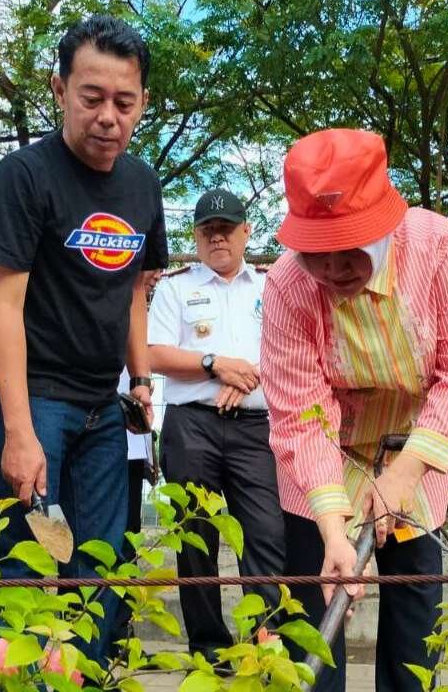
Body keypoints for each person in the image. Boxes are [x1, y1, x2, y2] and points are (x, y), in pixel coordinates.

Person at [261, 128, 448, 692]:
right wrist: (334, 529)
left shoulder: (435, 246)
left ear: (385, 229)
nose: (335, 270)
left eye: (352, 251)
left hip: (417, 447)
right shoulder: (287, 285)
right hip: (325, 461)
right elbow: (299, 415)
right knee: (314, 630)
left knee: (414, 633)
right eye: (320, 254)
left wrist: (404, 475)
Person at [0, 14, 167, 662]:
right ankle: (7, 678)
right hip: (33, 400)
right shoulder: (24, 176)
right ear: (59, 90)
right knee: (25, 563)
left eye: (124, 101)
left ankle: (80, 675)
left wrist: (139, 383)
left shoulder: (143, 184)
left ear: (141, 104)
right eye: (92, 98)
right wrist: (20, 430)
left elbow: (137, 292)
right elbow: (3, 304)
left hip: (103, 408)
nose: (109, 116)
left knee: (101, 567)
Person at [147, 189, 285, 662]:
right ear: (197, 236)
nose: (217, 237)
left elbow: (294, 346)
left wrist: (247, 377)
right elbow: (155, 354)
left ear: (246, 232)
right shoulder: (174, 287)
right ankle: (208, 648)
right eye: (207, 229)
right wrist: (214, 364)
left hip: (256, 429)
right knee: (196, 540)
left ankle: (263, 645)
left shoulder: (274, 285)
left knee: (265, 537)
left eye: (226, 228)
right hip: (192, 428)